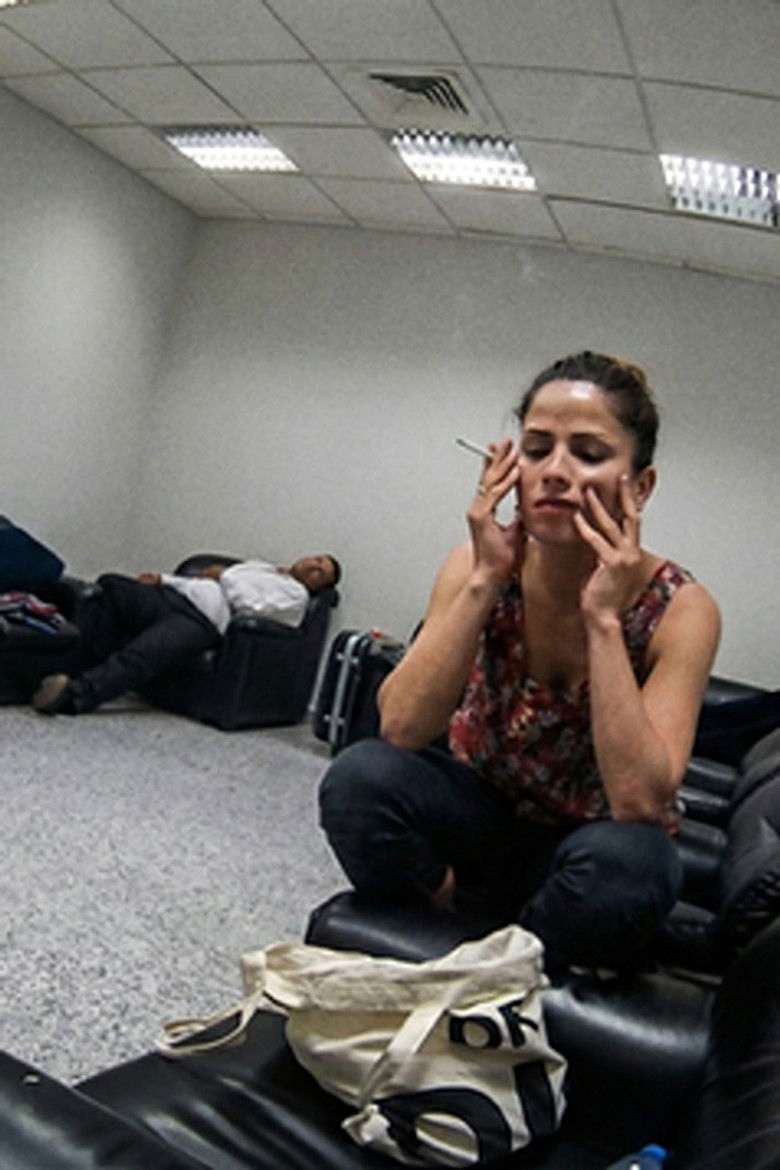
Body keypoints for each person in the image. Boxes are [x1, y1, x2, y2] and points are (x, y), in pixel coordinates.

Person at [319, 351, 720, 970]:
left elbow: (640, 802)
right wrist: (485, 579)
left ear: (639, 486)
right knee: (359, 778)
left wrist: (603, 619)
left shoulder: (682, 609)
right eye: (536, 449)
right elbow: (400, 726)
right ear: (509, 467)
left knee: (636, 866)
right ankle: (454, 918)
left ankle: (508, 960)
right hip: (481, 814)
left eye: (588, 454)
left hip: (584, 845)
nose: (555, 471)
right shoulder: (477, 564)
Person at [32, 553, 341, 716]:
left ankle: (72, 696)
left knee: (141, 654)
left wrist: (225, 576)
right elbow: (201, 581)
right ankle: (73, 667)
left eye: (322, 571)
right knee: (110, 586)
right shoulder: (261, 568)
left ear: (321, 587)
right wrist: (164, 580)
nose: (314, 565)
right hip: (173, 597)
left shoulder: (295, 597)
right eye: (316, 559)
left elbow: (248, 605)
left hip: (200, 621)